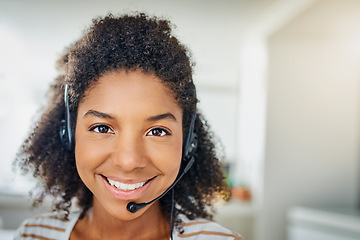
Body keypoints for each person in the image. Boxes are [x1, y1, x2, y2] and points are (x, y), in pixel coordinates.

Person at [14, 13, 242, 240]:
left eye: (158, 131)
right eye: (102, 128)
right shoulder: (33, 235)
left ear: (188, 143)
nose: (129, 161)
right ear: (69, 135)